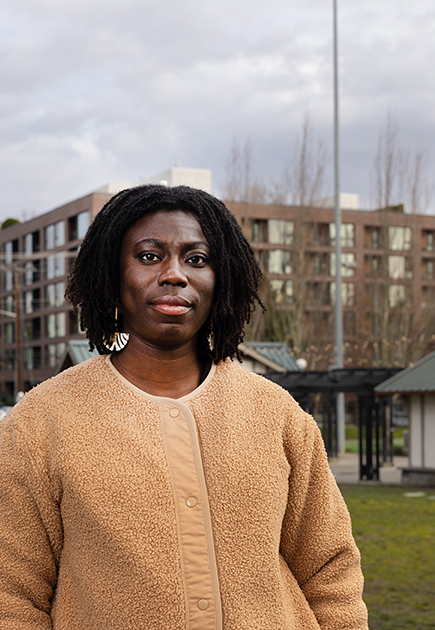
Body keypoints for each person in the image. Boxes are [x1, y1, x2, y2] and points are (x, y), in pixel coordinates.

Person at [0, 184, 368, 630]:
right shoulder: (40, 422)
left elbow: (328, 568)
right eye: (150, 256)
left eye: (196, 259)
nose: (175, 274)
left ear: (222, 279)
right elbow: (12, 596)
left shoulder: (277, 414)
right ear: (112, 274)